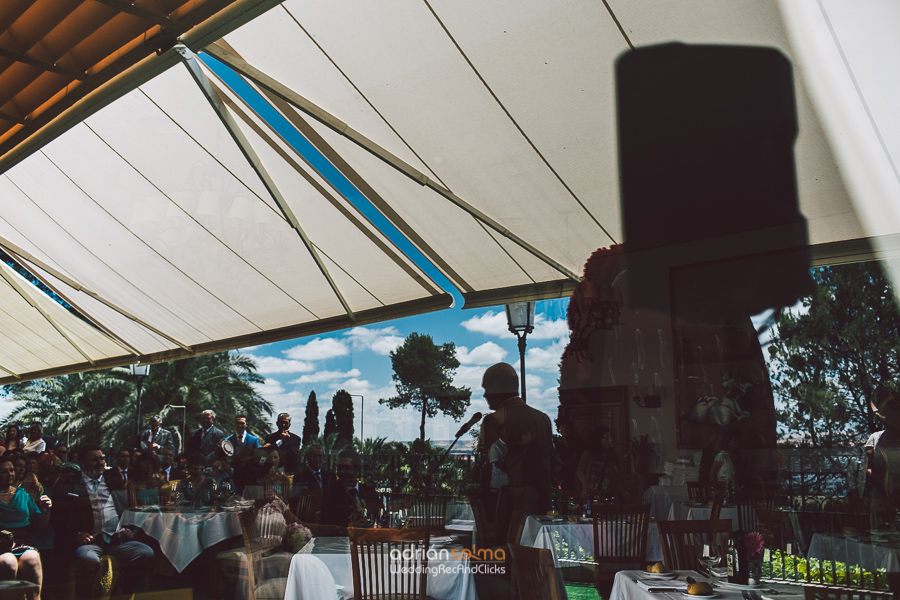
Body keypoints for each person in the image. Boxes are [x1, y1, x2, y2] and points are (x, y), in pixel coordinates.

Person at [51, 445, 154, 600]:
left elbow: (129, 510)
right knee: (89, 560)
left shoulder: (114, 481)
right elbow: (57, 518)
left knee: (146, 553)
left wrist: (126, 528)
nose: (100, 463)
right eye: (94, 460)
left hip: (115, 540)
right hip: (88, 543)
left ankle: (121, 595)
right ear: (83, 463)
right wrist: (76, 534)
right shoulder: (70, 484)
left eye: (102, 458)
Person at [480, 362, 553, 515]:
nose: (485, 395)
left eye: (486, 389)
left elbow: (491, 463)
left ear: (497, 388)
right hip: (542, 497)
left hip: (510, 500)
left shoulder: (494, 421)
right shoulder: (543, 418)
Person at [0, 456, 52, 600]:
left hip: (23, 540)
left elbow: (39, 524)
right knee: (7, 562)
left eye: (11, 470)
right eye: (4, 471)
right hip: (1, 544)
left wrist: (47, 510)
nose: (10, 474)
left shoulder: (22, 494)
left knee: (32, 557)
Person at [320, 450, 382, 527]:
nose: (341, 472)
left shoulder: (369, 492)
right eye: (339, 468)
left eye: (346, 468)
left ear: (357, 469)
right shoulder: (332, 494)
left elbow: (380, 517)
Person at [866, 386, 900, 527]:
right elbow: (869, 469)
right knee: (881, 541)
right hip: (880, 501)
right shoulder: (874, 438)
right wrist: (889, 493)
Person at [576, 427, 619, 501]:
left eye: (611, 438)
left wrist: (621, 490)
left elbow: (616, 474)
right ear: (599, 439)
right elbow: (579, 471)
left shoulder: (612, 455)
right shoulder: (589, 454)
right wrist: (585, 483)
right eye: (606, 438)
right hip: (592, 492)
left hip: (609, 494)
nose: (609, 441)